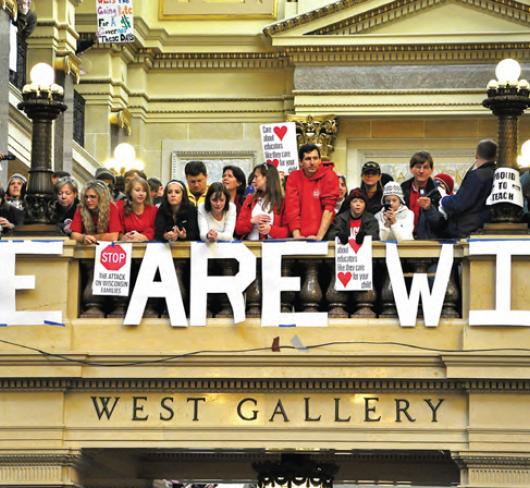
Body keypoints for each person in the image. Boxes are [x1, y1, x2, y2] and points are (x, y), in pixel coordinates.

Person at [440, 139, 497, 238]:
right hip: (487, 229)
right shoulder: (497, 174)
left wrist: (443, 199)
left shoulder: (477, 176)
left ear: (477, 155)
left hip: (469, 231)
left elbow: (459, 204)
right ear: (495, 156)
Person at [285, 143, 339, 240]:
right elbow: (292, 208)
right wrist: (296, 235)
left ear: (320, 160)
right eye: (308, 159)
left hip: (324, 234)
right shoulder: (294, 177)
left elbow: (329, 208)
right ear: (300, 162)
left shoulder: (329, 175)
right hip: (298, 235)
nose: (312, 162)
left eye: (315, 158)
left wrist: (319, 236)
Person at [235, 163, 289, 240]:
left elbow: (288, 232)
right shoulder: (250, 198)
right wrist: (251, 221)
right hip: (250, 246)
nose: (253, 180)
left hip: (273, 247)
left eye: (256, 177)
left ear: (266, 177)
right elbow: (238, 229)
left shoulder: (283, 201)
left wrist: (270, 229)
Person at [70, 180, 121, 244]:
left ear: (102, 198)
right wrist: (83, 238)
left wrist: (90, 238)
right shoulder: (81, 207)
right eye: (86, 197)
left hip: (107, 249)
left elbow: (113, 237)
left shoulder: (112, 208)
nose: (88, 200)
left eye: (93, 197)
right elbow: (73, 235)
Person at [401, 151, 436, 234]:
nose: (421, 171)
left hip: (429, 241)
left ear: (431, 170)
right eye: (418, 167)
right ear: (411, 169)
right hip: (405, 239)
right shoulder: (402, 189)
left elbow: (440, 222)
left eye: (425, 167)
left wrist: (429, 209)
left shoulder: (437, 191)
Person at [414, 172, 455, 239]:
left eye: (441, 184)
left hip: (436, 244)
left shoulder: (448, 204)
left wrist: (429, 208)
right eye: (435, 182)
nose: (436, 186)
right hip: (421, 243)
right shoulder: (424, 200)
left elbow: (439, 224)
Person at [119, 177, 157, 242]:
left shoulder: (153, 210)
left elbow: (156, 231)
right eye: (137, 190)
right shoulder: (122, 209)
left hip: (149, 246)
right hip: (128, 245)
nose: (141, 194)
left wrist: (143, 237)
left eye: (144, 191)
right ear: (130, 192)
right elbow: (119, 233)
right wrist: (124, 237)